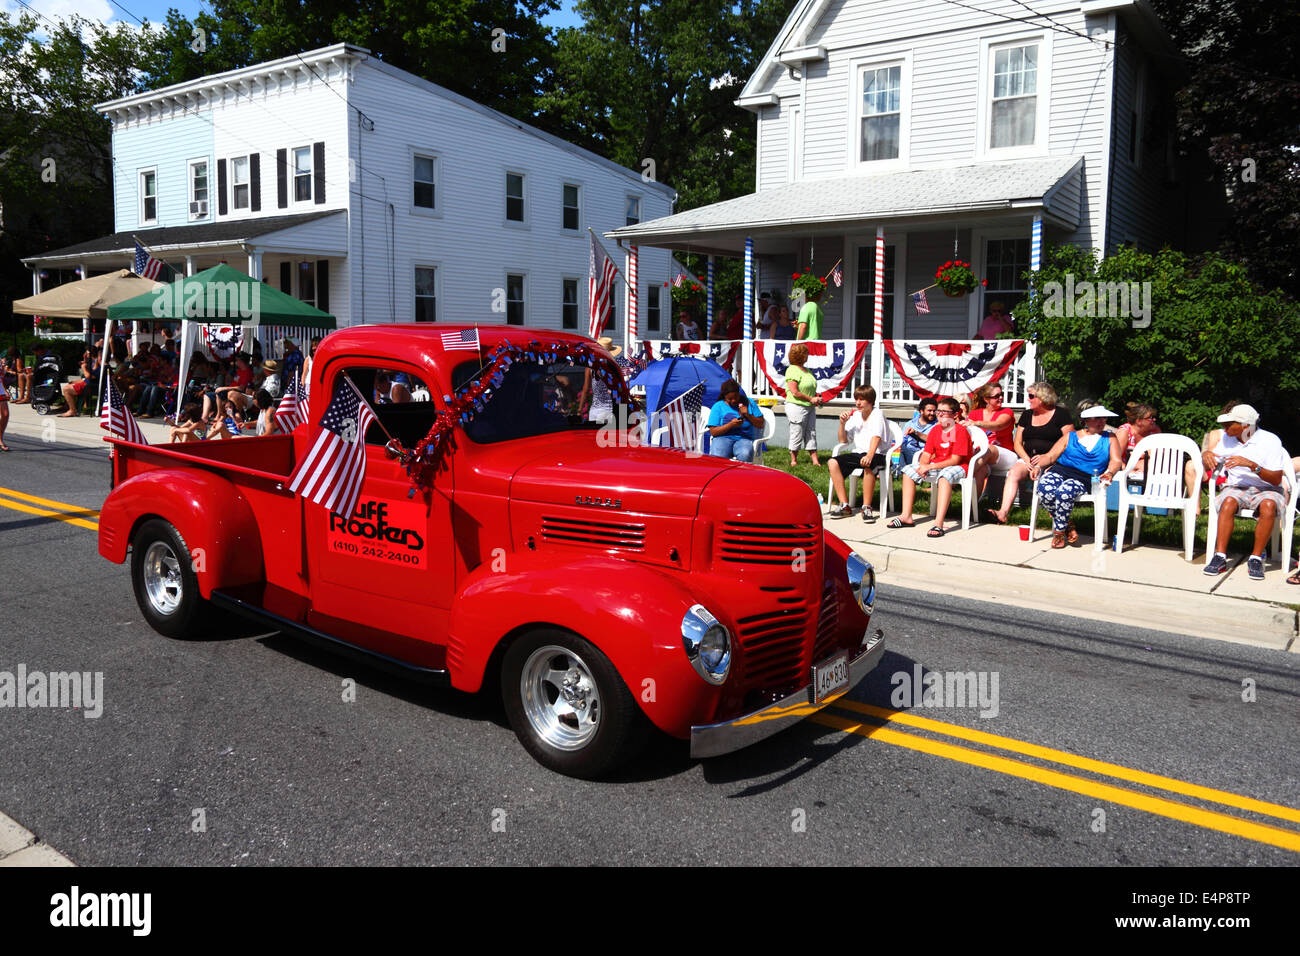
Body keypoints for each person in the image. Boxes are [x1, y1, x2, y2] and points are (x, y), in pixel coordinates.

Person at [1201, 404, 1290, 581]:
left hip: (1267, 488)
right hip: (1236, 487)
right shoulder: (1227, 439)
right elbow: (1211, 461)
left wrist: (1252, 465)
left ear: (1245, 426)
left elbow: (1275, 479)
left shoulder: (1270, 440)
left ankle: (1256, 558)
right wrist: (1206, 455)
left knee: (1268, 505)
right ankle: (1220, 556)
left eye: (1229, 424)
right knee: (1228, 502)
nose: (1224, 428)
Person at [1031, 405, 1124, 548]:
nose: (1101, 421)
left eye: (1104, 418)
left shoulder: (1109, 437)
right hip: (1061, 470)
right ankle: (1067, 524)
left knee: (1065, 491)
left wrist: (1110, 472)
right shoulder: (1071, 436)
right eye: (1097, 418)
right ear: (1086, 420)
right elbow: (1050, 456)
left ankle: (1059, 532)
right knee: (1045, 488)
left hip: (1085, 477)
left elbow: (1116, 461)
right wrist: (1038, 466)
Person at [987, 381, 1074, 524]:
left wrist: (1050, 458)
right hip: (1029, 458)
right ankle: (1002, 513)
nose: (1028, 399)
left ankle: (1056, 515)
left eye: (1031, 396)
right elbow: (1017, 443)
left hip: (1054, 460)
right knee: (1014, 472)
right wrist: (1027, 460)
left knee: (1050, 476)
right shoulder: (1027, 415)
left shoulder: (1061, 414)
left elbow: (1070, 442)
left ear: (1043, 397)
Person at [888, 396, 972, 536]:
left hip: (961, 466)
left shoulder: (960, 431)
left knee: (944, 477)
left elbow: (955, 460)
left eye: (944, 412)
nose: (938, 414)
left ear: (955, 414)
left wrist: (930, 467)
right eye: (938, 411)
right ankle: (906, 516)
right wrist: (923, 466)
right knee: (908, 471)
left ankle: (938, 523)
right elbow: (927, 453)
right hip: (938, 464)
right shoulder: (936, 430)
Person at [828, 386, 890, 521]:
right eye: (856, 399)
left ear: (871, 401)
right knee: (832, 462)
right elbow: (843, 440)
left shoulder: (878, 413)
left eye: (862, 400)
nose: (858, 403)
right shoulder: (855, 416)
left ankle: (866, 507)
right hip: (859, 453)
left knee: (868, 464)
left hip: (877, 454)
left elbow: (876, 437)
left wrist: (869, 455)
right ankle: (845, 505)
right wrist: (842, 424)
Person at [968, 382, 1017, 501]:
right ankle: (971, 508)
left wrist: (977, 423)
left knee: (988, 449)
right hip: (982, 458)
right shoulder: (975, 414)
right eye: (996, 396)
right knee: (981, 470)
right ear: (986, 399)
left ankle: (964, 473)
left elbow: (998, 425)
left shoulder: (1006, 412)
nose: (1000, 398)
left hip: (1005, 456)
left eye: (1001, 395)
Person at [783, 343, 822, 468]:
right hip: (796, 406)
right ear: (800, 355)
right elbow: (794, 392)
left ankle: (815, 460)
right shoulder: (792, 369)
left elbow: (808, 387)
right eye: (806, 353)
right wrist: (811, 398)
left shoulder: (807, 370)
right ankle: (793, 460)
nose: (808, 355)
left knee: (811, 432)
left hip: (809, 406)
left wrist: (816, 397)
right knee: (797, 431)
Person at [706, 379, 763, 462]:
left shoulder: (749, 403)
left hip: (744, 439)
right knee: (718, 456)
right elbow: (713, 432)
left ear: (739, 393)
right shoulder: (718, 406)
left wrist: (748, 415)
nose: (734, 400)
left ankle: (742, 474)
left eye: (736, 397)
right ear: (724, 396)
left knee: (745, 454)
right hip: (722, 438)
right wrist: (731, 424)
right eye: (730, 398)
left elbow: (760, 424)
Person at [898, 397, 938, 469]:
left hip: (924, 454)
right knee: (898, 448)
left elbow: (934, 441)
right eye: (929, 410)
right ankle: (903, 471)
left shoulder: (937, 425)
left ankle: (904, 471)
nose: (932, 413)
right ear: (921, 411)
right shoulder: (910, 423)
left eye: (934, 411)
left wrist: (916, 433)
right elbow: (902, 440)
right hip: (909, 452)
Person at [58, 349, 100, 417]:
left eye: (86, 352)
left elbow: (88, 376)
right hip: (87, 382)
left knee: (66, 389)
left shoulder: (96, 363)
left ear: (90, 353)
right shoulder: (93, 361)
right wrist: (85, 359)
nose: (85, 354)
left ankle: (72, 410)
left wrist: (83, 368)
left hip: (90, 385)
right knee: (69, 384)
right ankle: (69, 407)